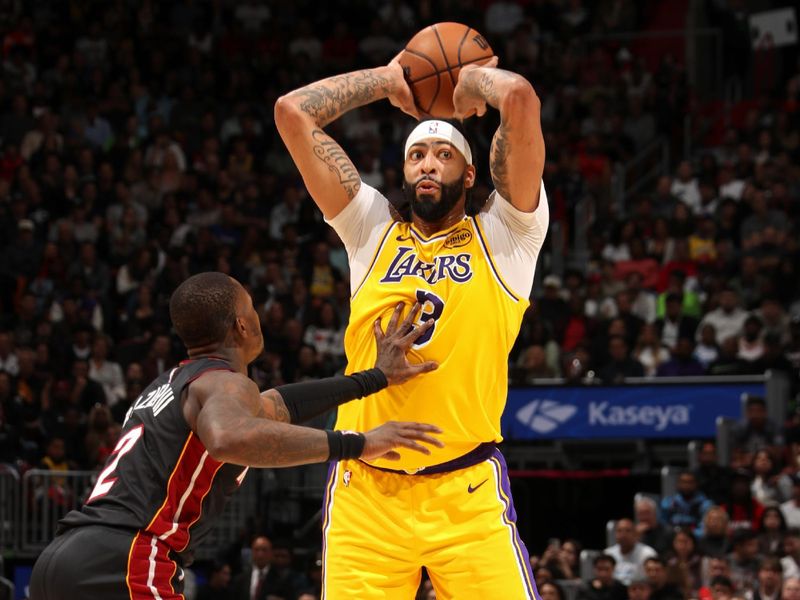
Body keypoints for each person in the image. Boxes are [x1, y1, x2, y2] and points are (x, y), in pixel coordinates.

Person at [275, 46, 548, 598]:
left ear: (470, 173)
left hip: (466, 492)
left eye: (443, 154)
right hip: (366, 492)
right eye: (416, 154)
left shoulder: (507, 237)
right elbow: (291, 112)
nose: (427, 163)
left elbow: (518, 99)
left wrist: (471, 81)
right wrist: (388, 80)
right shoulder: (371, 229)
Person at [29, 272, 443, 600]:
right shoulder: (224, 385)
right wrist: (357, 444)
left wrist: (374, 379)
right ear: (242, 325)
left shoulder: (175, 383)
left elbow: (276, 407)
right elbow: (229, 437)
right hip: (128, 557)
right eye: (252, 305)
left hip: (62, 557)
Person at [605, 518, 658, 585]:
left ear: (635, 534)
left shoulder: (648, 553)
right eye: (619, 531)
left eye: (628, 531)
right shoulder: (608, 554)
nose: (623, 534)